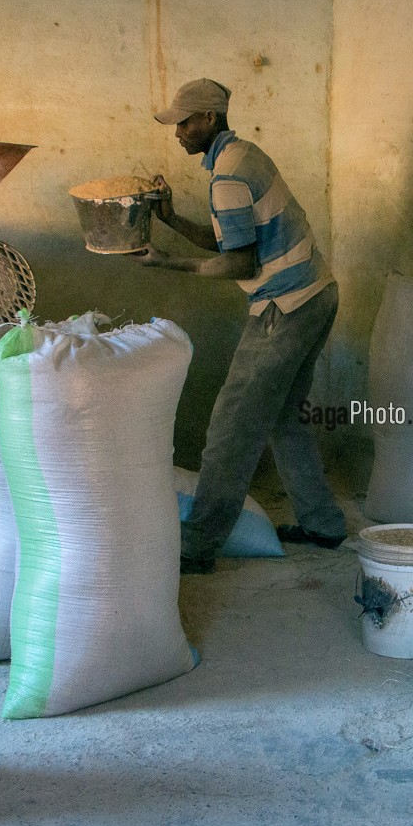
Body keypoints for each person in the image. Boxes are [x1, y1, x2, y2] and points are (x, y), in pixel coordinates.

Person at [136, 78, 347, 575]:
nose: (179, 133)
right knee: (283, 417)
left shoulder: (227, 175)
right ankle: (324, 524)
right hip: (318, 292)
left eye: (185, 123)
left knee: (232, 426)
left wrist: (169, 263)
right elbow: (229, 240)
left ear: (210, 118)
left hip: (286, 305)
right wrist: (171, 221)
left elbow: (238, 265)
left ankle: (199, 545)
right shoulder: (241, 156)